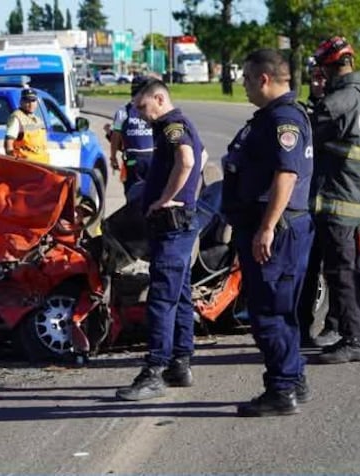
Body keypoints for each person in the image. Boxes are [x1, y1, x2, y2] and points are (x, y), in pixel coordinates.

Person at [221, 49, 314, 416]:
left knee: (268, 313)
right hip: (274, 227)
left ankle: (280, 390)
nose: (242, 84)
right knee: (281, 309)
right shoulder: (272, 118)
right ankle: (294, 377)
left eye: (245, 78)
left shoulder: (283, 120)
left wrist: (267, 227)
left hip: (276, 229)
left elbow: (286, 175)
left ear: (263, 78)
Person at [115, 78, 204, 401]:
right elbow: (203, 155)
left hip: (172, 225)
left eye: (142, 106)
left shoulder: (172, 125)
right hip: (177, 225)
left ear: (158, 98)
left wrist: (168, 197)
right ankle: (180, 363)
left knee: (162, 299)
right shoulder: (173, 124)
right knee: (180, 296)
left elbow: (190, 160)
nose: (139, 113)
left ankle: (154, 370)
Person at [298, 37, 360, 363]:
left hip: (335, 201)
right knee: (354, 271)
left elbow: (305, 141)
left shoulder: (337, 104)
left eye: (323, 69)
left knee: (342, 274)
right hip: (357, 200)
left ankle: (354, 341)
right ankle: (358, 335)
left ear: (333, 67)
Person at [109, 76, 155, 197]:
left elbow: (115, 136)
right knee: (154, 192)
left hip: (133, 159)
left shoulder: (122, 112)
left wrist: (113, 157)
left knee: (133, 192)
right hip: (152, 157)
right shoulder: (153, 110)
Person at [5, 88, 49, 164]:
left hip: (43, 164)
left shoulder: (38, 119)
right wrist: (14, 162)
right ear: (21, 102)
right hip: (27, 166)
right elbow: (8, 145)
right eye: (27, 101)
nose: (31, 104)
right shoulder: (16, 118)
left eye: (33, 101)